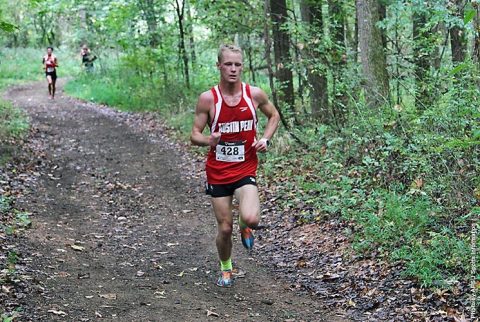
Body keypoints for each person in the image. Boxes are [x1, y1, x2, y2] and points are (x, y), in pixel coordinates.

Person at [190, 44, 280, 287]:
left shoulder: (254, 95)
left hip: (244, 168)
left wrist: (265, 139)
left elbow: (274, 116)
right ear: (219, 65)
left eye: (237, 64)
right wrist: (210, 140)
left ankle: (246, 228)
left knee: (251, 218)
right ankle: (226, 267)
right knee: (225, 228)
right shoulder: (208, 99)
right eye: (228, 64)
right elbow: (194, 135)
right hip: (218, 172)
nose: (233, 69)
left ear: (243, 66)